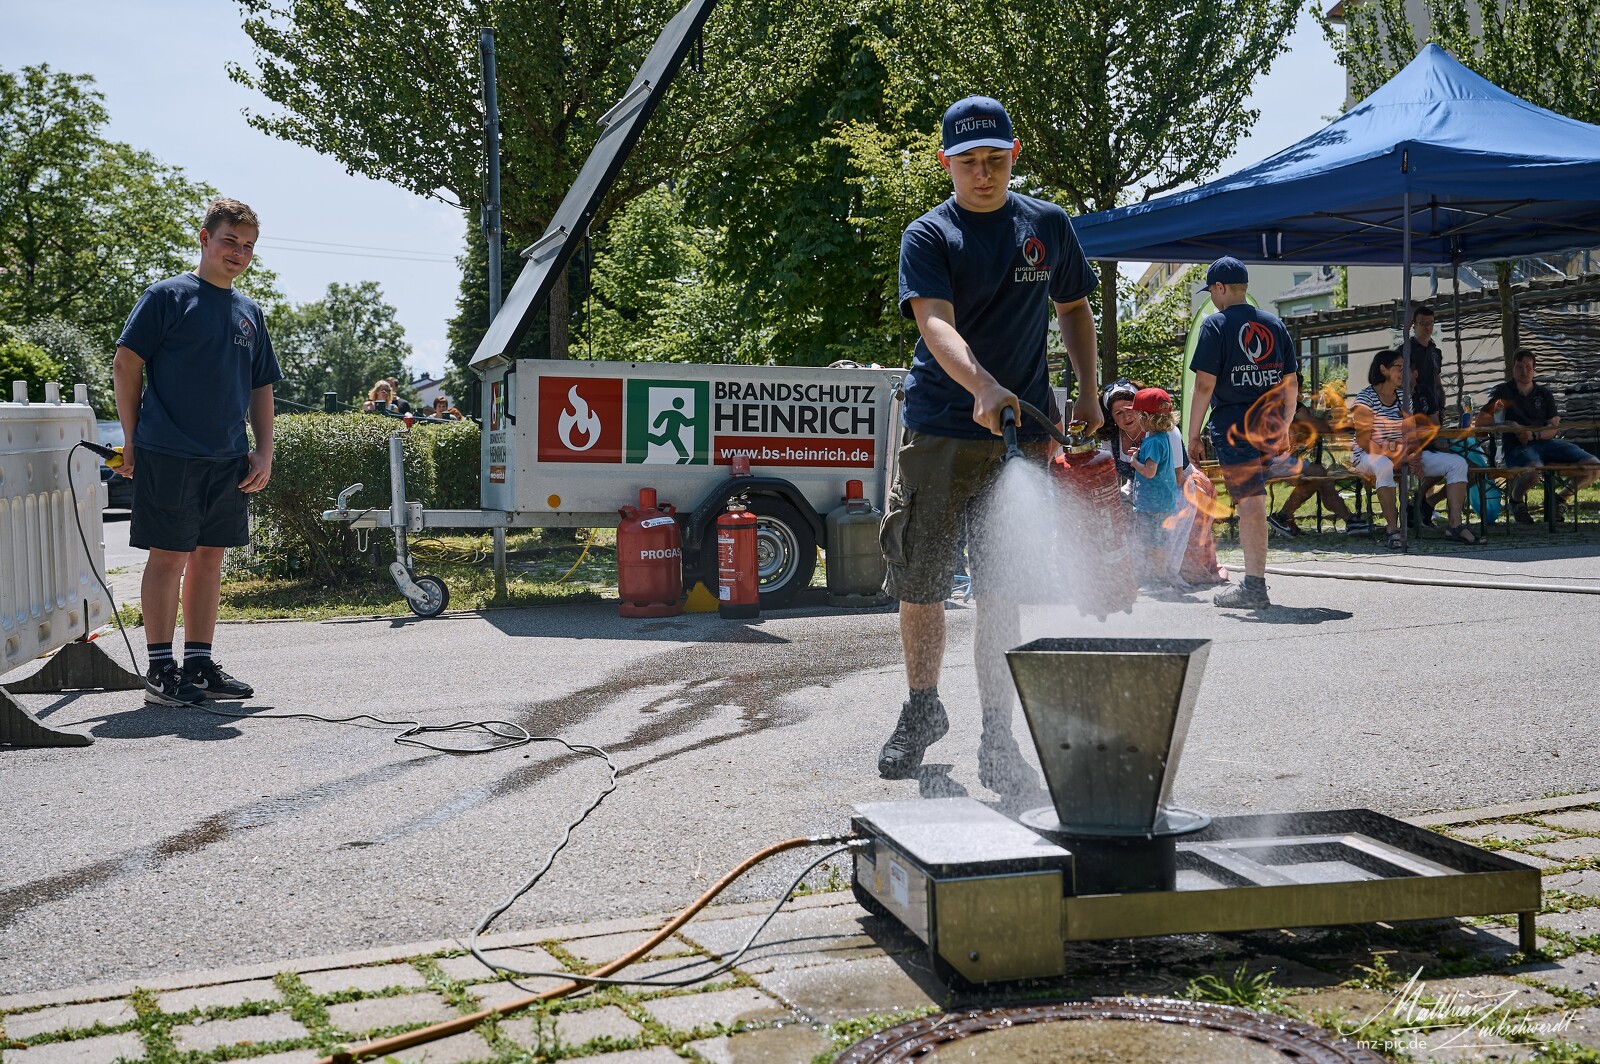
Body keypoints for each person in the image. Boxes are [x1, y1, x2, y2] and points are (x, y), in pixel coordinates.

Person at [878, 95, 1100, 786]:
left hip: (1020, 439)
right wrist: (981, 386)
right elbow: (934, 324)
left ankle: (999, 736)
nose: (983, 174)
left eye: (995, 161)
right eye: (969, 163)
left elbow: (1073, 308)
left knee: (1002, 590)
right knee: (922, 579)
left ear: (1015, 156)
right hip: (942, 428)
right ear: (946, 163)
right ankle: (922, 708)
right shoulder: (929, 234)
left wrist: (1088, 390)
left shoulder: (1046, 224)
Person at [112, 197, 282, 706]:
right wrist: (132, 436)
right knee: (170, 557)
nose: (238, 253)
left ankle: (200, 663)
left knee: (210, 558)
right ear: (204, 238)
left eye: (248, 246)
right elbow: (126, 364)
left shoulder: (250, 312)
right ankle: (161, 669)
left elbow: (261, 387)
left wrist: (264, 450)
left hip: (227, 458)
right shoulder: (168, 296)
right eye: (230, 240)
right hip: (168, 450)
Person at [1186, 256, 1298, 609]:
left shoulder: (1215, 325)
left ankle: (1253, 588)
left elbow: (1204, 385)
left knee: (1251, 503)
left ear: (1220, 288)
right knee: (1255, 502)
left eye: (1213, 291)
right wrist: (1285, 426)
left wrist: (1192, 434)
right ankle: (1255, 584)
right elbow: (1291, 383)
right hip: (1268, 424)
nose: (1214, 299)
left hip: (1234, 427)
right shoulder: (1275, 324)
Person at [1347, 349, 1476, 548]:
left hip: (1400, 454)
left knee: (1457, 463)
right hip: (1367, 456)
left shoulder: (1404, 397)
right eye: (1399, 367)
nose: (1404, 372)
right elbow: (1365, 443)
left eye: (1404, 367)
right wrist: (1399, 456)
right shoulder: (1365, 399)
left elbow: (1411, 436)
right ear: (1383, 369)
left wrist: (1414, 454)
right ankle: (1393, 529)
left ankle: (1455, 526)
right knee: (1383, 465)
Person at [1478, 348, 1600, 523]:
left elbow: (1553, 428)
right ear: (1513, 369)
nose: (1524, 371)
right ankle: (1516, 502)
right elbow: (1481, 422)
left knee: (1594, 466)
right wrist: (1510, 425)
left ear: (1534, 369)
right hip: (1517, 447)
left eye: (1528, 367)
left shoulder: (1544, 394)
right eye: (1519, 367)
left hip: (1545, 443)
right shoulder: (1503, 392)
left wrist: (1534, 436)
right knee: (1534, 470)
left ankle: (1558, 501)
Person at [1265, 400, 1369, 537]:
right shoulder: (1288, 401)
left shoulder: (1270, 398)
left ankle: (1350, 520)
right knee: (1319, 474)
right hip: (1270, 459)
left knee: (1320, 475)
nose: (1301, 395)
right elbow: (1316, 425)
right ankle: (1284, 516)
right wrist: (1336, 424)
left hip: (1266, 457)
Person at [1124, 387, 1181, 585]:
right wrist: (1140, 454)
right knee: (1157, 542)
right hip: (1161, 503)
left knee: (1154, 543)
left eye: (1137, 414)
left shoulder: (1153, 442)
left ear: (1146, 416)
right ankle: (1158, 576)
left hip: (1153, 506)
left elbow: (1149, 471)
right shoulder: (1161, 438)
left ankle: (1158, 579)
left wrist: (1133, 462)